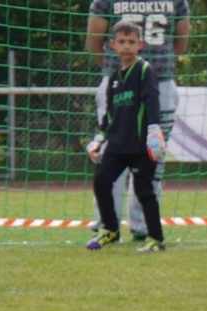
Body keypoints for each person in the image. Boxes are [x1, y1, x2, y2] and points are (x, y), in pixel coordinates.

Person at [85, 0, 190, 243]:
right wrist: (120, 71)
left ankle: (143, 227)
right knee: (110, 152)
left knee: (153, 156)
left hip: (161, 82)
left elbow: (181, 44)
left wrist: (146, 70)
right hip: (117, 81)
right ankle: (107, 225)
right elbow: (94, 42)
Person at [85, 20, 167, 254]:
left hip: (141, 145)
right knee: (101, 181)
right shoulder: (113, 78)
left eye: (131, 42)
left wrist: (154, 129)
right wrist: (99, 139)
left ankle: (156, 238)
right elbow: (110, 114)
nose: (126, 46)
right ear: (113, 45)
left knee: (144, 191)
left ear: (140, 44)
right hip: (117, 145)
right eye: (121, 41)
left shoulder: (144, 70)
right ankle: (110, 229)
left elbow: (151, 100)